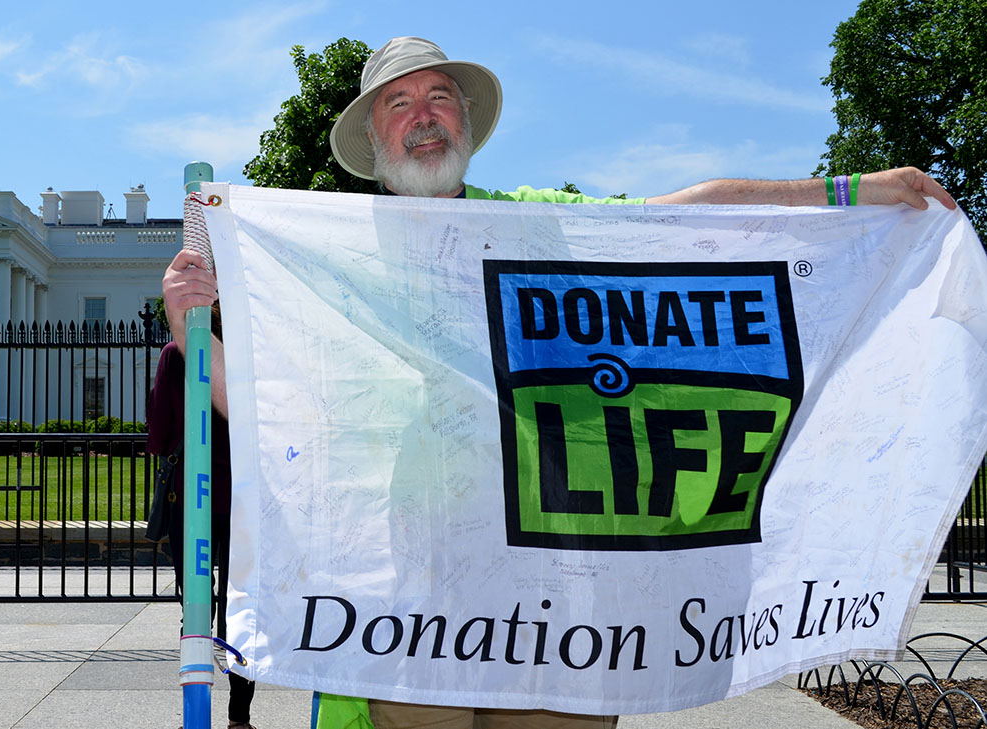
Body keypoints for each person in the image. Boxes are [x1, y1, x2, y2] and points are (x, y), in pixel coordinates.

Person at [160, 36, 959, 729]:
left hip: (560, 617)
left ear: (468, 124)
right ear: (374, 138)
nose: (425, 113)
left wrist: (850, 193)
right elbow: (273, 417)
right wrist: (185, 322)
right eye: (399, 103)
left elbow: (695, 218)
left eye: (441, 95)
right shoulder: (333, 264)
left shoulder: (535, 227)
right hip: (400, 620)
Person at [146, 302, 257, 729]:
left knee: (195, 607)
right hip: (243, 500)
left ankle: (197, 708)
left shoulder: (176, 352)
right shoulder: (248, 349)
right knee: (241, 610)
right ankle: (239, 717)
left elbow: (157, 435)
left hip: (190, 500)